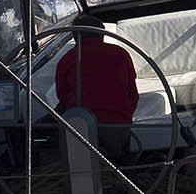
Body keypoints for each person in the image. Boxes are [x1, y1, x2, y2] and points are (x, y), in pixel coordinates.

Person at [55, 14, 139, 156]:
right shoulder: (120, 54)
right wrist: (125, 117)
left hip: (81, 126)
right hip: (118, 123)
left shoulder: (67, 59)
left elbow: (62, 97)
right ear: (101, 35)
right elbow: (132, 94)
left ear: (75, 37)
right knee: (116, 155)